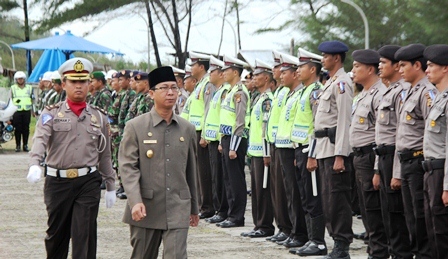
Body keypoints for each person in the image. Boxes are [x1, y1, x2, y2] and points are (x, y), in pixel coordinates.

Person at [27, 57, 116, 258]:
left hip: (88, 181)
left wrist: (111, 184)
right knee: (56, 236)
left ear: (89, 83)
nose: (78, 86)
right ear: (64, 83)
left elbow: (105, 154)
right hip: (58, 182)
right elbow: (40, 139)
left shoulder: (99, 117)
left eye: (83, 82)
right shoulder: (51, 113)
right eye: (73, 82)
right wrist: (35, 164)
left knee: (84, 234)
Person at [119, 66, 199, 258]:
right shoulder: (135, 127)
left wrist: (194, 207)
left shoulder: (187, 129)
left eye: (174, 87)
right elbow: (128, 168)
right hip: (146, 207)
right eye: (164, 88)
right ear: (152, 93)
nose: (170, 92)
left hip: (177, 206)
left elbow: (191, 170)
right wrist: (135, 201)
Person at [394, 43, 435, 258]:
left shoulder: (427, 93)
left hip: (419, 162)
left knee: (421, 216)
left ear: (417, 65)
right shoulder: (408, 92)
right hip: (406, 162)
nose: (399, 70)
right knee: (410, 216)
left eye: (403, 65)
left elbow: (432, 131)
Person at [314, 40, 353, 258]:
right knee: (328, 200)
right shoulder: (330, 82)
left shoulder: (343, 83)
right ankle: (336, 241)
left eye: (325, 55)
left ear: (336, 58)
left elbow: (344, 120)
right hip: (323, 149)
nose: (322, 59)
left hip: (333, 151)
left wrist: (340, 155)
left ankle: (342, 245)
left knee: (337, 200)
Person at [349, 49, 388, 258]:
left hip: (370, 155)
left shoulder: (379, 94)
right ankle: (374, 248)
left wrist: (376, 167)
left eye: (357, 67)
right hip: (359, 157)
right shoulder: (362, 94)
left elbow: (380, 132)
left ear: (370, 69)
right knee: (365, 208)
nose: (353, 71)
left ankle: (379, 251)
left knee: (373, 208)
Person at [376, 45, 412, 259]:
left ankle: (401, 253)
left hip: (395, 158)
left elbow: (401, 135)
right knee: (387, 212)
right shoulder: (389, 91)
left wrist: (396, 171)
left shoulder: (401, 93)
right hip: (383, 156)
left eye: (383, 63)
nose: (380, 66)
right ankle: (393, 251)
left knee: (398, 213)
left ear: (397, 67)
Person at [290, 48, 326, 256]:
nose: (298, 71)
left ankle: (319, 241)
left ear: (312, 69)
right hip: (300, 150)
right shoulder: (304, 91)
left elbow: (316, 125)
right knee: (305, 197)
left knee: (313, 197)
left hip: (309, 150)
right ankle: (311, 238)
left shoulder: (315, 91)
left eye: (301, 67)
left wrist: (312, 154)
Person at [274, 52, 308, 249]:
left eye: (285, 72)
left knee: (296, 193)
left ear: (295, 74)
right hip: (283, 145)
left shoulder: (302, 94)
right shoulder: (291, 94)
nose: (280, 75)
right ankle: (294, 231)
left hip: (293, 147)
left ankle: (299, 233)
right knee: (289, 192)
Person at [241, 59, 275, 238]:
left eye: (257, 75)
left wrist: (267, 152)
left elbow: (265, 127)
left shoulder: (267, 100)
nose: (254, 78)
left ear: (267, 78)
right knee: (255, 190)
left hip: (262, 152)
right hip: (254, 150)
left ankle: (265, 225)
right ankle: (258, 224)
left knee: (263, 191)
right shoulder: (259, 98)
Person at [181, 51, 216, 219]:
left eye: (193, 65)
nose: (191, 68)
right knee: (197, 171)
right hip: (194, 131)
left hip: (202, 132)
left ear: (201, 67)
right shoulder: (201, 85)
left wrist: (204, 135)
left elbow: (208, 110)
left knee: (204, 172)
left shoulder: (208, 85)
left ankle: (207, 206)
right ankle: (202, 204)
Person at [216, 55, 250, 228]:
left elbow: (240, 121)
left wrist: (233, 147)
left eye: (226, 70)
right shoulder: (230, 91)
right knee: (228, 178)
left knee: (236, 179)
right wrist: (223, 141)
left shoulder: (239, 92)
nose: (223, 73)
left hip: (236, 140)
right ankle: (231, 214)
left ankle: (237, 216)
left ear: (235, 72)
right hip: (227, 138)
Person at [422, 44, 448, 258]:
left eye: (431, 65)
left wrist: (447, 186)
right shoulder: (438, 98)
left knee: (442, 228)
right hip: (430, 170)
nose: (427, 70)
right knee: (432, 227)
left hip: (442, 171)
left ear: (445, 68)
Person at [265, 49, 292, 243]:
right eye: (277, 69)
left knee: (285, 191)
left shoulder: (286, 93)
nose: (278, 72)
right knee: (277, 190)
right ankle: (282, 227)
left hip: (286, 145)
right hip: (276, 145)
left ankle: (288, 228)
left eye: (281, 69)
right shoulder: (280, 93)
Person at [202, 56, 230, 224]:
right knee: (215, 176)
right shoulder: (218, 92)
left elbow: (224, 118)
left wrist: (220, 140)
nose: (209, 75)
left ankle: (222, 209)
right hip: (212, 139)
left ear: (220, 74)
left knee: (220, 177)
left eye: (212, 72)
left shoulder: (225, 92)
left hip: (219, 140)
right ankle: (219, 209)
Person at [11, 71, 34, 152]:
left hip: (26, 110)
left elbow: (32, 99)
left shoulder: (29, 88)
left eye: (21, 79)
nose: (20, 80)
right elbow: (10, 99)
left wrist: (33, 110)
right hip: (16, 111)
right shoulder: (13, 88)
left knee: (26, 129)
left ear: (24, 79)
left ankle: (25, 145)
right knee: (17, 129)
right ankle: (17, 145)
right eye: (18, 79)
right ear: (16, 80)